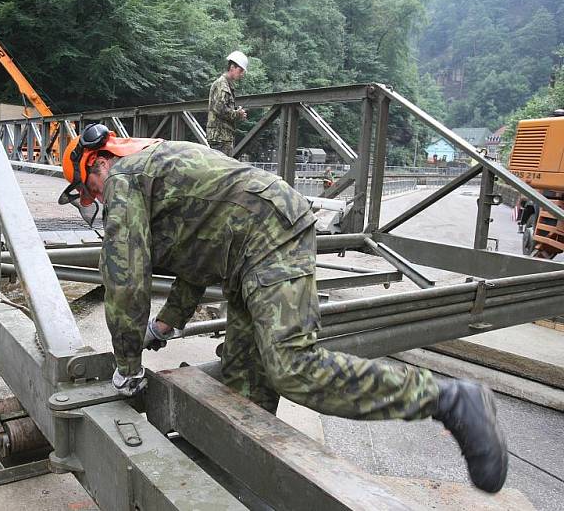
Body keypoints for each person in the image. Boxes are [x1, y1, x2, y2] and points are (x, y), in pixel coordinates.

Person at [58, 124, 508, 493]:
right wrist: (164, 324)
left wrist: (128, 364)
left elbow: (124, 276)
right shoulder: (160, 169)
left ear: (98, 162)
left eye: (86, 188)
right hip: (244, 253)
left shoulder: (124, 177)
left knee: (291, 365)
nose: (93, 199)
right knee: (242, 380)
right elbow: (195, 259)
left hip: (268, 236)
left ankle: (450, 400)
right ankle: (237, 489)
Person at [206, 51, 248, 159]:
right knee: (221, 172)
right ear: (232, 67)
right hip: (220, 137)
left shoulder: (226, 84)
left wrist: (236, 114)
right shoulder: (222, 84)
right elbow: (220, 109)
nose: (242, 73)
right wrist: (237, 114)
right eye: (241, 70)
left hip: (222, 136)